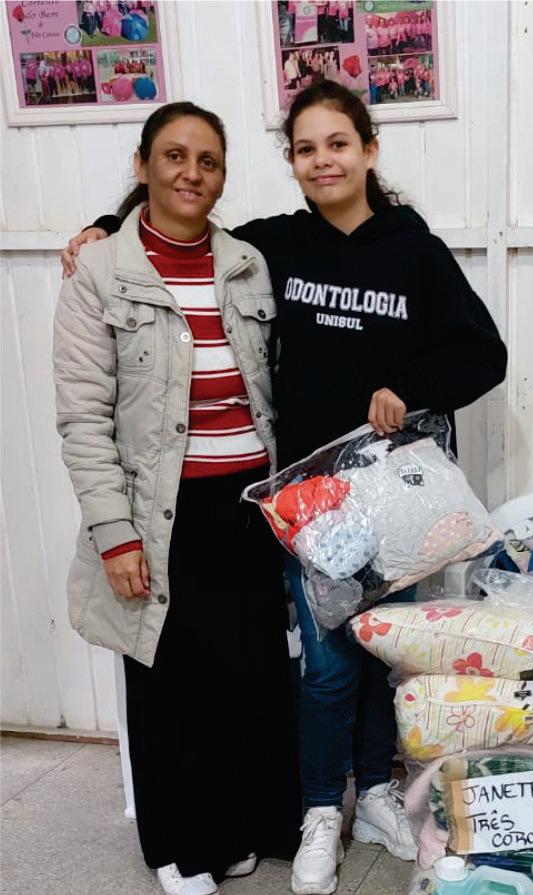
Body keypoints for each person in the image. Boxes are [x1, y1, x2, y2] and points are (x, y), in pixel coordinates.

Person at [61, 80, 507, 895]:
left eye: (338, 143)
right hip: (310, 505)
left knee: (383, 656)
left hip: (397, 500)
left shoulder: (416, 249)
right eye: (306, 148)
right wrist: (105, 223)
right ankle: (319, 810)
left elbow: (485, 354)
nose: (322, 160)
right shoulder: (275, 245)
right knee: (328, 666)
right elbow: (179, 217)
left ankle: (374, 792)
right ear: (292, 163)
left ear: (369, 151)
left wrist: (410, 389)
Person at [54, 101, 301, 895]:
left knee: (246, 674)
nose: (191, 173)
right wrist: (115, 533)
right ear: (142, 165)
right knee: (168, 682)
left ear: (222, 177)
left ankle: (236, 826)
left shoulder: (248, 263)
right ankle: (178, 845)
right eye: (173, 156)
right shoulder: (100, 272)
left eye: (208, 161)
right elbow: (82, 416)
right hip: (159, 514)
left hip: (248, 508)